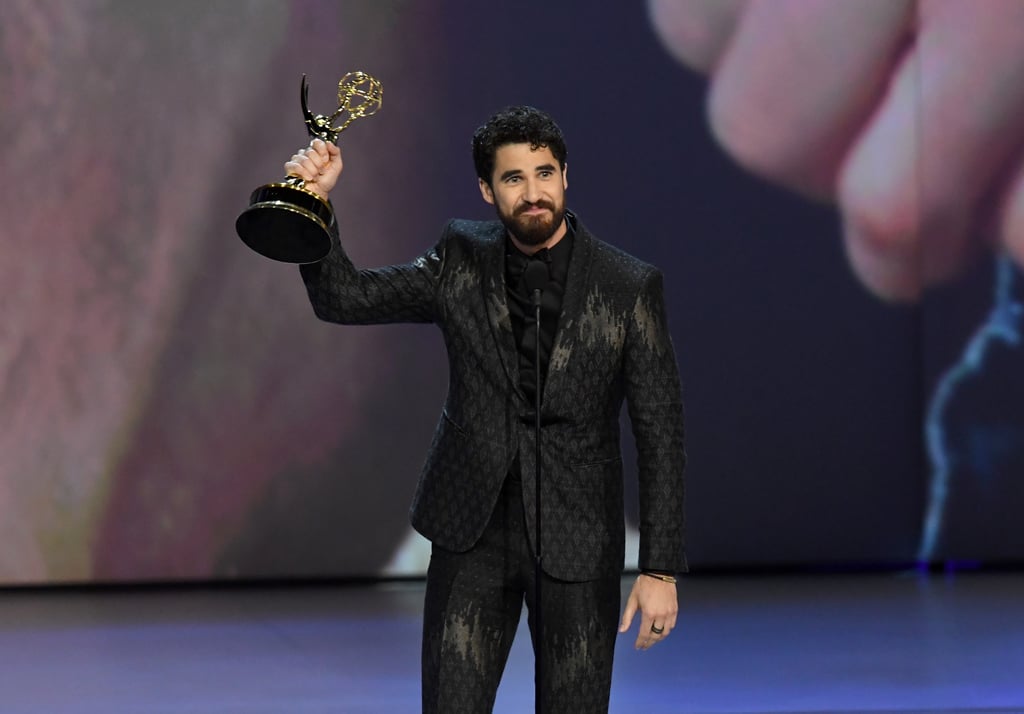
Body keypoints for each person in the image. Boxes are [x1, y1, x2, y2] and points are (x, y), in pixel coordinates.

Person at [287, 105, 687, 713]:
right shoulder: (458, 258)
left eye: (545, 173)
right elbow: (345, 298)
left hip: (578, 536)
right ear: (486, 189)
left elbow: (660, 430)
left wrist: (659, 569)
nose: (534, 194)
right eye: (513, 179)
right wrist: (312, 203)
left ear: (565, 176)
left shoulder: (628, 285)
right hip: (471, 530)